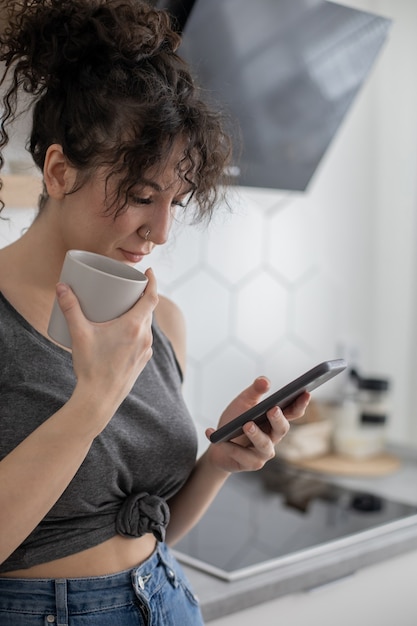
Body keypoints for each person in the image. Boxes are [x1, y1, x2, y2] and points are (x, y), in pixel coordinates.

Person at [0, 1, 310, 624]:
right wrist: (93, 401)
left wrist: (219, 464)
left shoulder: (161, 320)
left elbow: (151, 528)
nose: (161, 231)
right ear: (59, 171)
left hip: (166, 601)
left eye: (175, 200)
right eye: (142, 196)